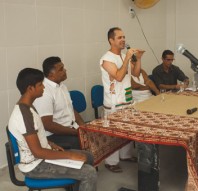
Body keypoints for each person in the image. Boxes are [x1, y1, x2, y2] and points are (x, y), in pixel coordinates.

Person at [8, 68, 97, 191]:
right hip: (35, 166)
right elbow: (37, 152)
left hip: (41, 157)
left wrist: (50, 143)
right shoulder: (24, 115)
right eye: (40, 85)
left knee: (89, 157)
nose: (43, 87)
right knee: (89, 173)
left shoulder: (28, 106)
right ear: (30, 88)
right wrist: (69, 155)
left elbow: (34, 136)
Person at [100, 27, 145, 172]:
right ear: (111, 40)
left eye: (124, 37)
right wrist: (127, 59)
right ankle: (110, 162)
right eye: (119, 37)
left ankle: (125, 156)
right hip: (114, 102)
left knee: (126, 130)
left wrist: (138, 59)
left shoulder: (124, 55)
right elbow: (118, 77)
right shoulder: (106, 59)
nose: (123, 40)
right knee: (113, 133)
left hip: (127, 99)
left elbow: (136, 73)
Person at [33, 56, 84, 150]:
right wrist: (75, 132)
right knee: (80, 142)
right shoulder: (44, 92)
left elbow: (70, 109)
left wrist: (83, 127)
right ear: (51, 74)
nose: (65, 70)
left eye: (63, 67)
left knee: (92, 134)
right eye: (61, 69)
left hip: (70, 128)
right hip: (53, 135)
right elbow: (47, 125)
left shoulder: (61, 86)